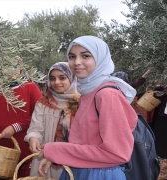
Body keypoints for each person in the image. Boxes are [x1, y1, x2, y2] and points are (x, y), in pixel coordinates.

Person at [37, 36, 138, 180]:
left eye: (85, 56)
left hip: (98, 175)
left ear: (100, 58)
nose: (77, 62)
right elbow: (86, 140)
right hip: (82, 170)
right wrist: (60, 155)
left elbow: (117, 153)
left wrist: (59, 150)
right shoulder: (88, 91)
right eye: (72, 56)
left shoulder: (106, 94)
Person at [0, 56, 43, 180]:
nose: (9, 69)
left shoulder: (30, 87)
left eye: (13, 66)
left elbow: (39, 114)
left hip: (23, 145)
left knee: (23, 175)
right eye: (6, 65)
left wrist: (16, 127)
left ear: (20, 69)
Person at [24, 62, 80, 179]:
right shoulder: (42, 103)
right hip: (44, 157)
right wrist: (33, 137)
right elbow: (36, 128)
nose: (56, 82)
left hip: (72, 159)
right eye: (52, 78)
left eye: (62, 78)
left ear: (72, 78)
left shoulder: (82, 103)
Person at [152, 85, 167, 159]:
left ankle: (162, 152)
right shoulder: (163, 90)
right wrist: (158, 89)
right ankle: (159, 151)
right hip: (161, 116)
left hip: (163, 116)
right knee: (160, 134)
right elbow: (156, 95)